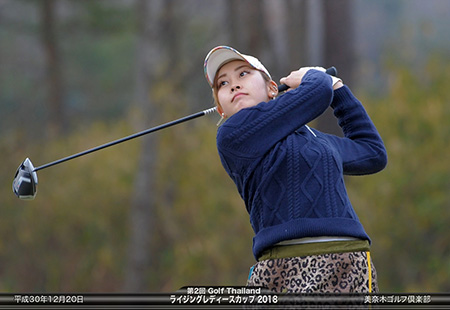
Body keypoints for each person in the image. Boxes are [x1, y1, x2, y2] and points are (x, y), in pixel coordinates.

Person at [203, 46, 387, 293]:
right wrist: (314, 77)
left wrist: (339, 89)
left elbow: (372, 152)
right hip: (282, 267)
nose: (234, 85)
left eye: (243, 74)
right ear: (221, 109)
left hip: (347, 261)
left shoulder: (315, 140)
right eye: (222, 84)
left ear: (271, 89)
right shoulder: (232, 135)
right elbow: (317, 90)